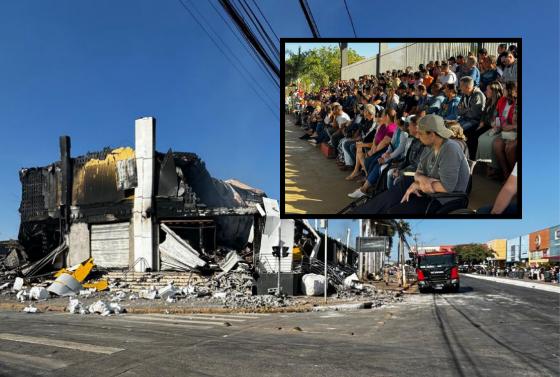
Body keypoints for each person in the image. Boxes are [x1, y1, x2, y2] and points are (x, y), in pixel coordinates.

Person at [349, 114, 469, 214]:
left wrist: (418, 185)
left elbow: (447, 187)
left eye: (421, 134)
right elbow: (418, 173)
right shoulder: (429, 147)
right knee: (390, 196)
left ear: (432, 134)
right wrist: (419, 181)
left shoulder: (450, 149)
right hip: (428, 190)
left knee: (392, 211)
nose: (418, 136)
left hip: (443, 199)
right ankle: (359, 213)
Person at [348, 115, 408, 198]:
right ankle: (368, 184)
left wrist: (388, 157)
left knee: (378, 165)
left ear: (398, 120)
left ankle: (363, 189)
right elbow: (392, 144)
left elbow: (400, 149)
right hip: (391, 154)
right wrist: (386, 154)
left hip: (398, 158)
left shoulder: (404, 134)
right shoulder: (397, 130)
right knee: (373, 161)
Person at [345, 108, 397, 181]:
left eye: (382, 115)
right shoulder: (383, 125)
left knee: (360, 151)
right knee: (359, 150)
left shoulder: (391, 128)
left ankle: (364, 175)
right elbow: (375, 138)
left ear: (387, 116)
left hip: (382, 152)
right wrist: (373, 148)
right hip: (375, 148)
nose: (380, 117)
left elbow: (384, 143)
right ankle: (359, 172)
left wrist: (373, 151)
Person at [476, 81, 504, 171]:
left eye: (488, 90)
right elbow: (483, 114)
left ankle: (489, 166)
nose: (485, 92)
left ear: (494, 92)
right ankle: (479, 163)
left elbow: (496, 119)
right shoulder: (489, 101)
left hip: (493, 127)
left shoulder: (499, 103)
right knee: (472, 133)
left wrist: (485, 122)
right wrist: (481, 122)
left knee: (478, 137)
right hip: (486, 124)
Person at [457, 77, 486, 159]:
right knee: (452, 128)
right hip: (464, 119)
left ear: (467, 87)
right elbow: (458, 110)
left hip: (475, 121)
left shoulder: (478, 95)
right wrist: (467, 110)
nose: (459, 87)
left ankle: (464, 157)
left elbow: (474, 114)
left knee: (459, 132)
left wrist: (463, 110)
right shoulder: (464, 94)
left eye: (461, 86)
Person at [493, 86, 517, 179]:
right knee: (497, 144)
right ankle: (506, 173)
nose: (502, 90)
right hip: (508, 130)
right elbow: (500, 116)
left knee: (509, 148)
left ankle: (514, 176)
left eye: (505, 89)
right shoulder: (503, 100)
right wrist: (499, 123)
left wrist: (512, 126)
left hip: (514, 131)